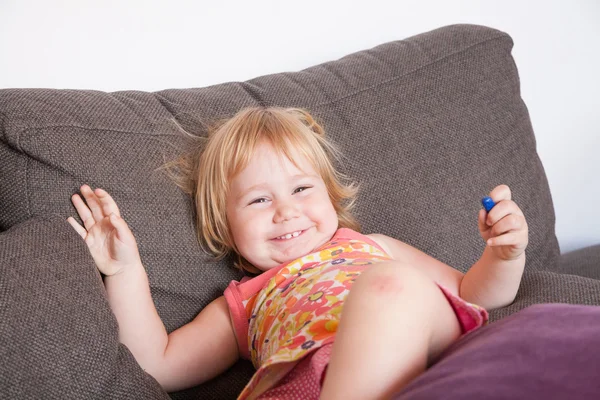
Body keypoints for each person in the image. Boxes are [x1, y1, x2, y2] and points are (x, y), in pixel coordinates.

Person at [67, 106, 528, 400]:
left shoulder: (373, 248)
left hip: (419, 344)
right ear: (225, 226)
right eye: (259, 200)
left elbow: (474, 293)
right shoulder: (243, 303)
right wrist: (125, 270)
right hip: (314, 381)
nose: (287, 211)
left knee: (391, 284)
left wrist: (503, 256)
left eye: (302, 188)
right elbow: (158, 365)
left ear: (330, 196)